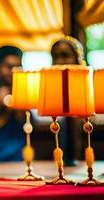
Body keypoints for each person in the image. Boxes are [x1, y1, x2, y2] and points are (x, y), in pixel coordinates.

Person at [50, 36, 86, 166]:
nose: (60, 61)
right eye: (56, 56)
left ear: (78, 59)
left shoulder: (89, 90)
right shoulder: (48, 92)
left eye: (65, 55)